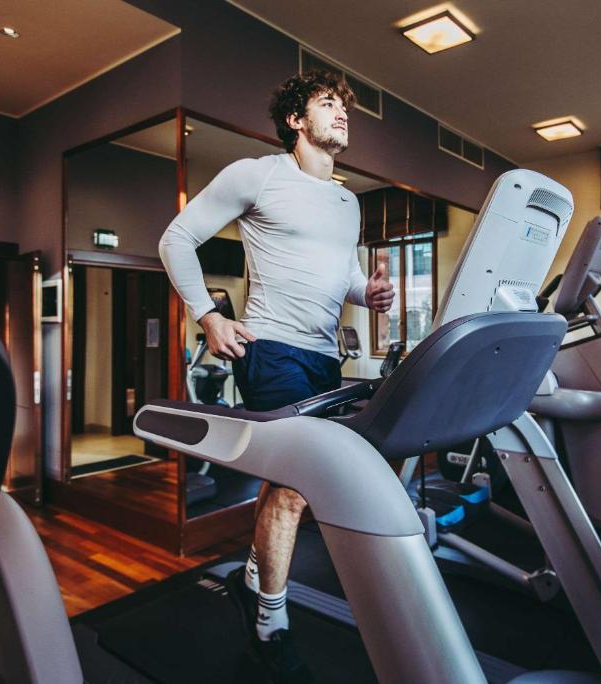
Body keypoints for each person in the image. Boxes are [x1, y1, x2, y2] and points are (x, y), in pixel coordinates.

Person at [159, 70, 394, 681]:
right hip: (272, 350)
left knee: (293, 485)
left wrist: (365, 293)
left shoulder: (349, 202)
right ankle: (270, 620)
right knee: (294, 486)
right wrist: (209, 316)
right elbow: (177, 238)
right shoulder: (257, 174)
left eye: (345, 106)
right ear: (296, 120)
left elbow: (340, 274)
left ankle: (251, 580)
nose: (342, 114)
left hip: (322, 357)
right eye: (327, 104)